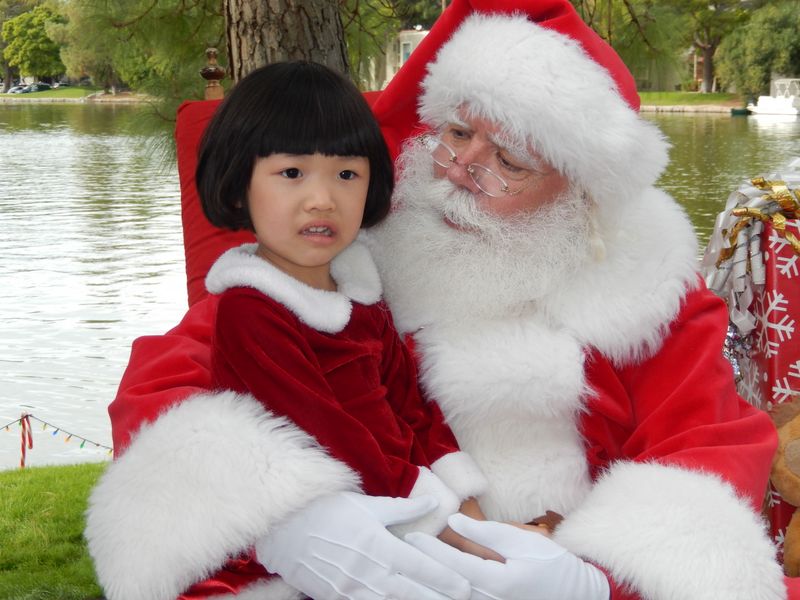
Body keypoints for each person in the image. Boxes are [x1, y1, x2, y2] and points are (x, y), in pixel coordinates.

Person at [85, 0, 791, 599]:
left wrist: (592, 572)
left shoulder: (643, 286)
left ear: (579, 193)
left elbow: (705, 441)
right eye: (456, 132)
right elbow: (175, 373)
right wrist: (293, 514)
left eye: (510, 160)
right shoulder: (352, 239)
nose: (460, 170)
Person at [198, 60, 487, 555]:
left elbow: (411, 407)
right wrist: (442, 520)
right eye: (291, 172)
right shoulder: (252, 311)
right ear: (238, 184)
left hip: (408, 504)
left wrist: (463, 494)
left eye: (347, 173)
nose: (322, 199)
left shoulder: (361, 298)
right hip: (325, 527)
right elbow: (332, 438)